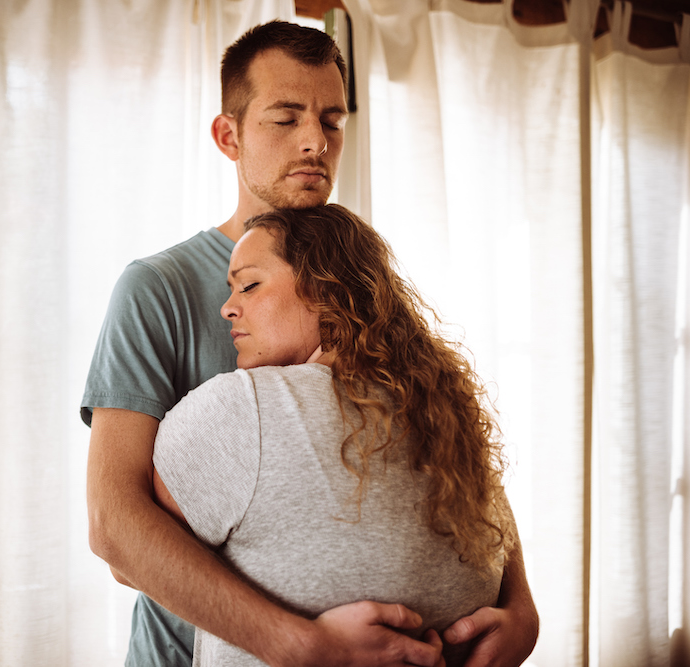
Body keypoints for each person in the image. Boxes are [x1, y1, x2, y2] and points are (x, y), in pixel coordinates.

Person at [83, 19, 539, 667]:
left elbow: (457, 454)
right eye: (285, 117)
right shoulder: (158, 288)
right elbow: (116, 527)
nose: (314, 142)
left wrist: (521, 606)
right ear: (228, 135)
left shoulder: (366, 287)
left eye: (332, 119)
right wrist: (302, 644)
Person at [153, 203, 521, 667]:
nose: (228, 307)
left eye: (249, 284)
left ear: (325, 289)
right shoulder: (447, 417)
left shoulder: (244, 408)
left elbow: (128, 548)